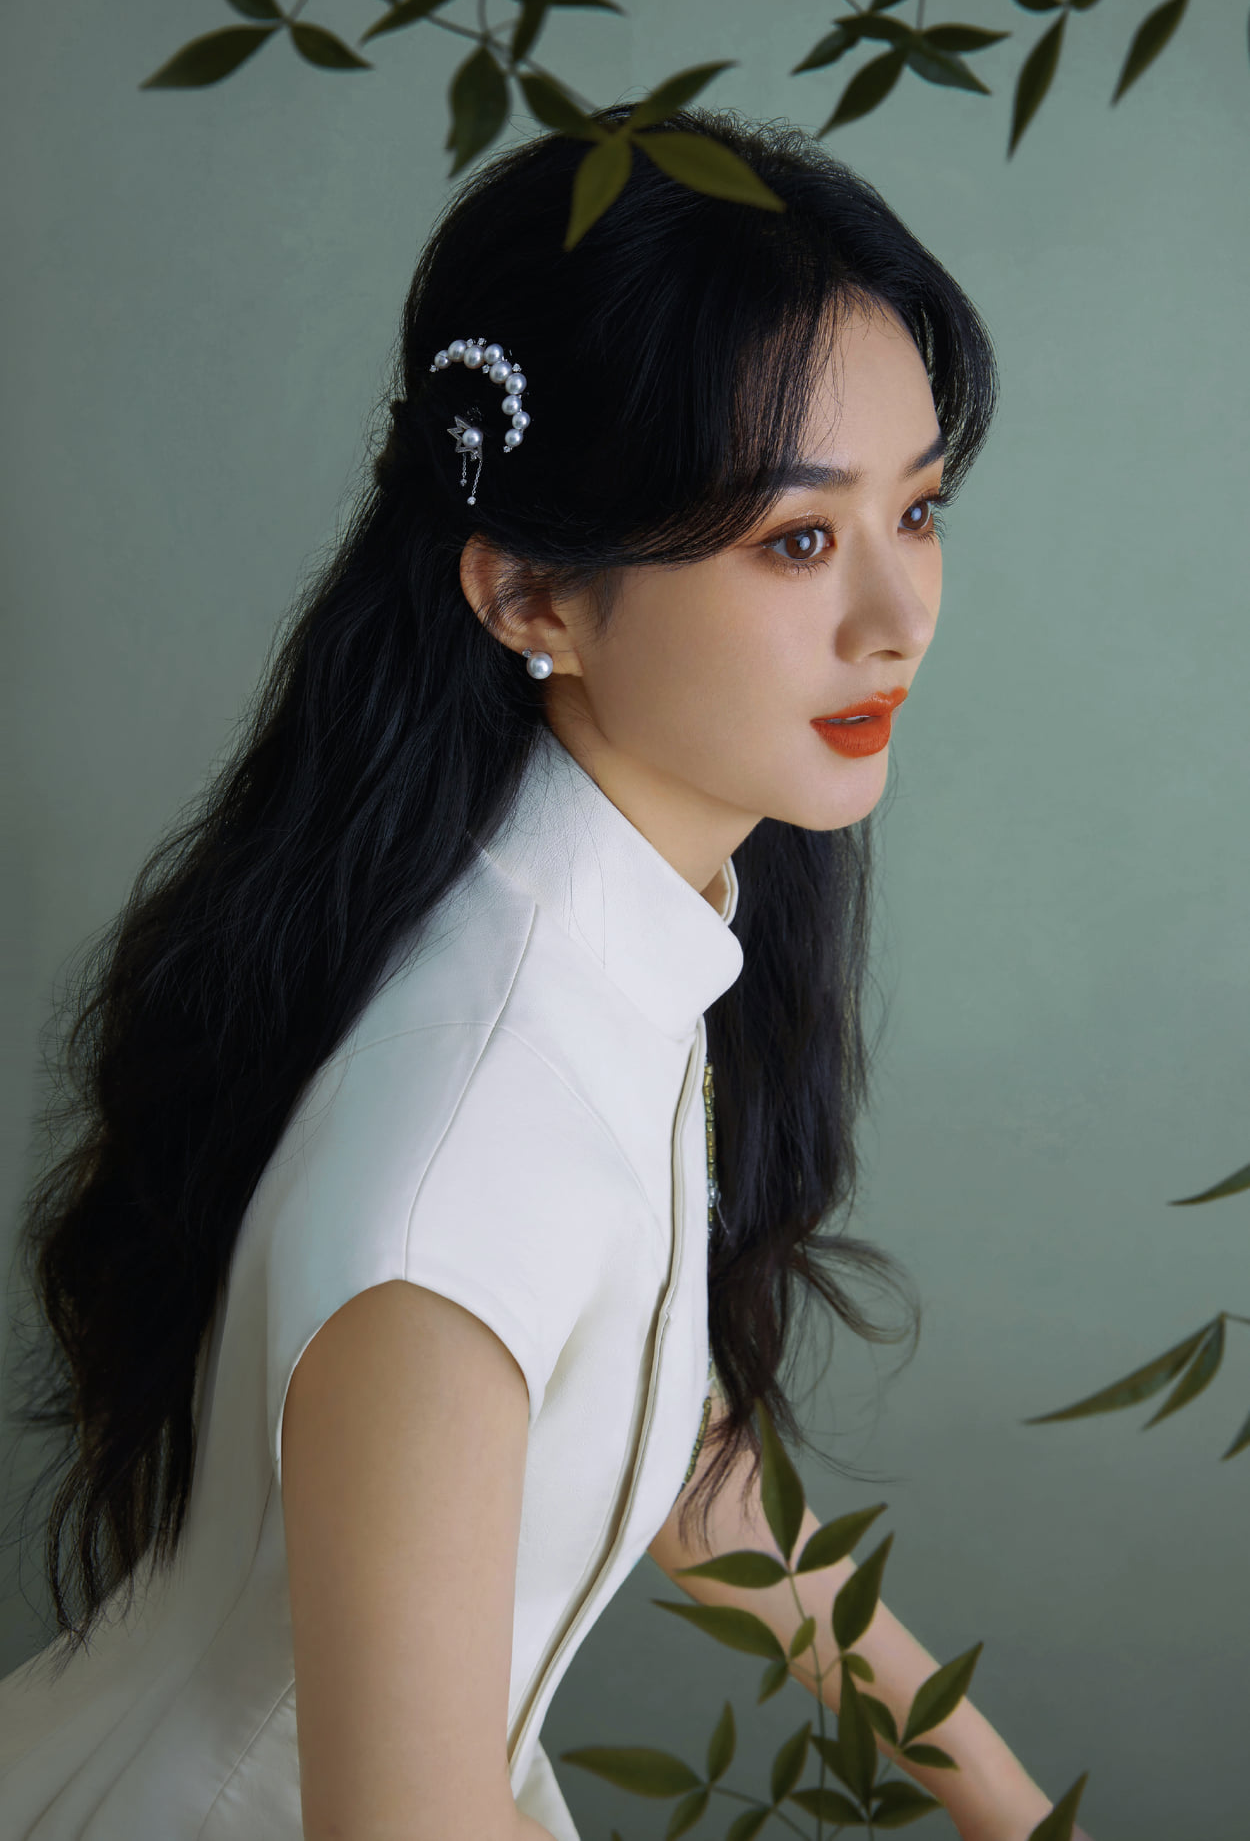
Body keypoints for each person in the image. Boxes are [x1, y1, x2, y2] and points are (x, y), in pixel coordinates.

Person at [0, 108, 1092, 1841]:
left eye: (918, 510)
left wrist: (1002, 1796)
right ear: (529, 597)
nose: (899, 619)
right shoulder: (471, 1145)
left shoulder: (612, 939)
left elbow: (667, 1448)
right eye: (795, 540)